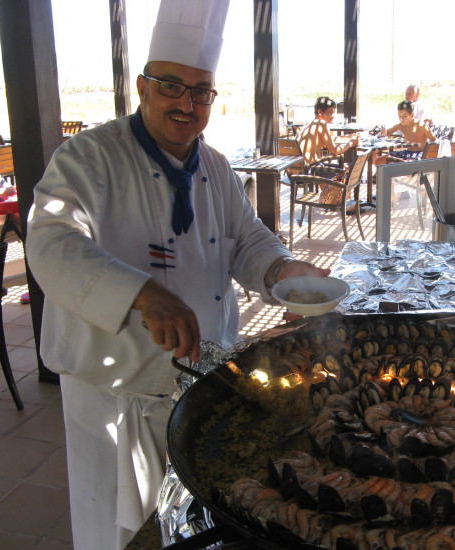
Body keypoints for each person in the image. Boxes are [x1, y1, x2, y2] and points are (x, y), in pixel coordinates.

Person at [25, 2, 329, 549]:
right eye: (171, 86)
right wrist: (142, 294)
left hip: (201, 384)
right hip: (116, 397)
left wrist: (282, 269)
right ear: (143, 87)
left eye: (201, 92)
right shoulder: (88, 158)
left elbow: (246, 239)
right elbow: (51, 242)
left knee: (195, 524)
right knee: (118, 532)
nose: (186, 104)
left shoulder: (214, 166)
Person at [296, 96, 359, 166]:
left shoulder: (309, 124)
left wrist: (347, 137)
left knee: (344, 167)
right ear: (320, 112)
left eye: (334, 112)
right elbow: (335, 151)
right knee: (348, 167)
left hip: (297, 169)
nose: (333, 116)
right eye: (331, 112)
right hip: (309, 169)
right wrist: (351, 143)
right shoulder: (321, 124)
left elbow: (329, 140)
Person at [375, 100, 436, 166]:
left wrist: (429, 156)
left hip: (419, 154)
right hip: (407, 152)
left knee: (406, 164)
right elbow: (387, 133)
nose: (401, 119)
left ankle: (403, 168)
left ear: (412, 115)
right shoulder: (401, 125)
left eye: (404, 116)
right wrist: (383, 133)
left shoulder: (421, 126)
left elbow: (433, 140)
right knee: (379, 161)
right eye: (399, 116)